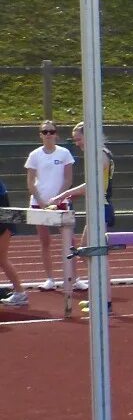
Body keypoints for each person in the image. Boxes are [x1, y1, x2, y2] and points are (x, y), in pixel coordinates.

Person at [49, 122, 115, 297]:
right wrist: (69, 195)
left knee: (92, 252)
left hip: (102, 208)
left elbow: (92, 185)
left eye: (78, 139)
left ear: (89, 136)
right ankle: (100, 296)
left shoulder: (100, 155)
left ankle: (104, 299)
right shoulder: (97, 154)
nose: (77, 143)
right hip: (97, 208)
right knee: (89, 252)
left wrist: (64, 194)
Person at [24, 120, 74, 291]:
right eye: (44, 132)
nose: (48, 135)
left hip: (61, 203)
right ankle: (50, 279)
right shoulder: (34, 155)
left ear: (56, 134)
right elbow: (30, 181)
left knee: (69, 241)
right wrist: (41, 201)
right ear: (40, 135)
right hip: (39, 203)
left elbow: (68, 179)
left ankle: (74, 278)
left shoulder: (64, 153)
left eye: (51, 131)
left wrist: (58, 198)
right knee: (45, 241)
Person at [0, 177, 29, 307]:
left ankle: (20, 292)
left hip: (3, 223)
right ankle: (19, 292)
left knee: (2, 259)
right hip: (5, 220)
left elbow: (5, 209)